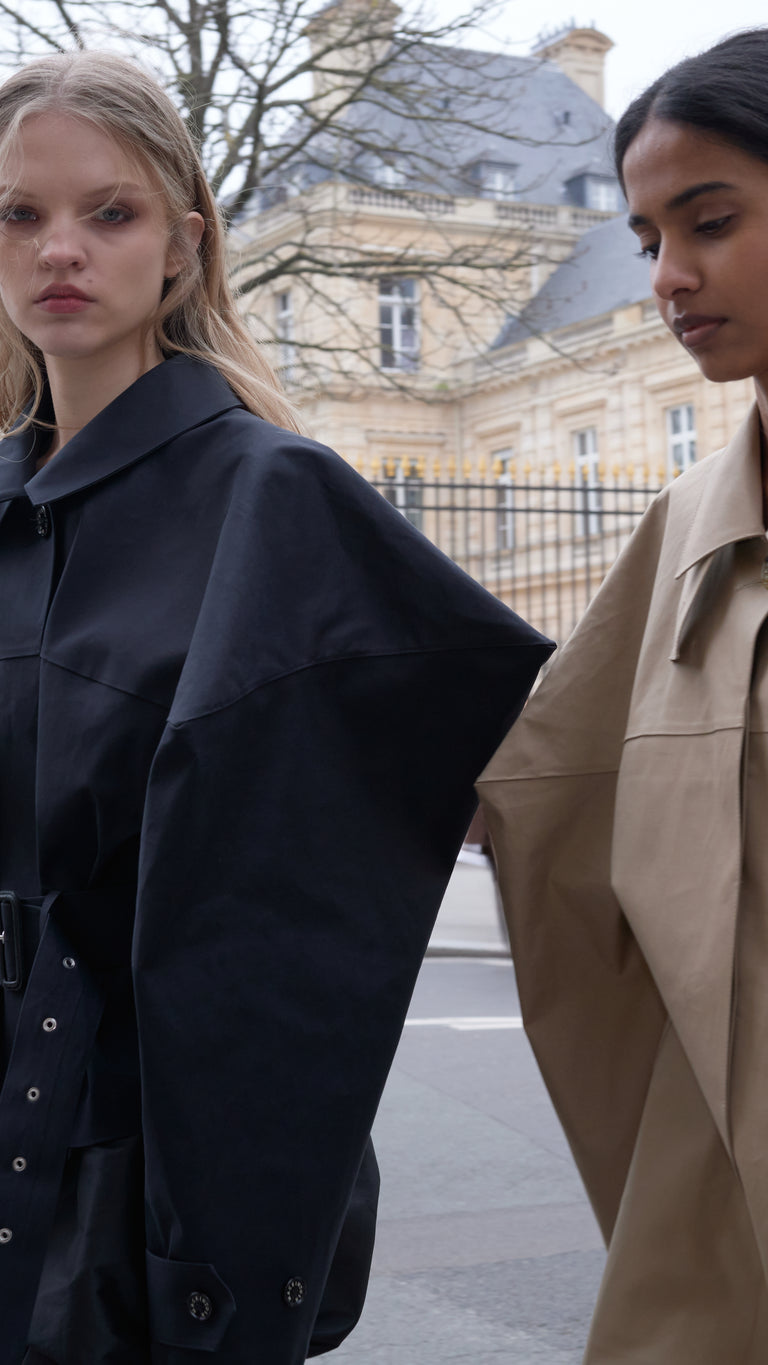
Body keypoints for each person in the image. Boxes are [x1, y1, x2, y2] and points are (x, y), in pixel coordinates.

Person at [0, 50, 552, 1365]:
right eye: (19, 214)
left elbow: (501, 751)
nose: (59, 249)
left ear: (185, 245)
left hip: (147, 1159)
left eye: (111, 212)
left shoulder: (274, 497)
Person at [478, 27, 768, 1365]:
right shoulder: (687, 525)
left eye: (711, 221)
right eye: (649, 238)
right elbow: (537, 789)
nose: (667, 277)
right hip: (715, 1190)